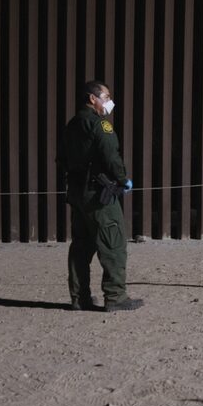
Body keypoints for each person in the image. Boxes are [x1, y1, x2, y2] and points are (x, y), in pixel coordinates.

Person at [60, 81, 143, 311]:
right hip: (99, 195)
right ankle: (116, 297)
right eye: (105, 97)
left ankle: (79, 298)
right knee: (113, 243)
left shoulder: (72, 125)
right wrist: (122, 179)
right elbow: (111, 155)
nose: (109, 102)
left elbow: (62, 158)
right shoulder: (99, 125)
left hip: (78, 193)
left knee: (81, 246)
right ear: (92, 98)